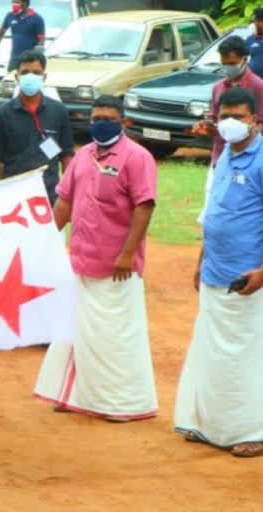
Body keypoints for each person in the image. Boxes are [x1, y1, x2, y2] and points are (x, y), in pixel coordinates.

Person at [34, 95, 159, 422]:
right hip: (81, 260)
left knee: (114, 336)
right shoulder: (83, 157)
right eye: (95, 118)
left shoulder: (137, 157)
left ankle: (121, 403)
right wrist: (43, 239)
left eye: (107, 117)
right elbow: (64, 202)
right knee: (75, 330)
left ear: (123, 121)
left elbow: (144, 207)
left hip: (117, 265)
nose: (100, 123)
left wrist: (128, 253)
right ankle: (71, 393)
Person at [175, 88, 263, 458]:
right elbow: (216, 211)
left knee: (247, 354)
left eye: (239, 117)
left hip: (249, 277)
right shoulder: (226, 153)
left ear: (255, 120)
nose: (230, 123)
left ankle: (253, 429)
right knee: (213, 352)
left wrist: (262, 271)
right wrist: (200, 259)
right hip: (215, 271)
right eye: (224, 115)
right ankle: (212, 424)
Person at [0, 50, 73, 205]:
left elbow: (66, 156)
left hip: (49, 195)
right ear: (16, 76)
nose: (30, 77)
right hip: (13, 197)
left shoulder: (59, 111)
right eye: (25, 72)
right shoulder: (2, 114)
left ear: (44, 77)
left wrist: (67, 196)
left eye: (36, 72)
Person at [192, 35, 263, 223]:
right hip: (220, 157)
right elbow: (214, 119)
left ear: (244, 59)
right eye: (224, 63)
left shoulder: (258, 87)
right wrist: (209, 128)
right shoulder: (218, 87)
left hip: (250, 160)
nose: (227, 68)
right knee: (213, 210)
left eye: (232, 63)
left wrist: (243, 131)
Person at [0, 0, 45, 72]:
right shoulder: (10, 16)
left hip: (29, 60)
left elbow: (41, 40)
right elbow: (2, 31)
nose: (14, 4)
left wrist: (36, 57)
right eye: (13, 2)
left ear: (25, 3)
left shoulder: (37, 19)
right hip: (14, 58)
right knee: (11, 79)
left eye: (17, 2)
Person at [247, 8, 263, 79]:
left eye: (258, 21)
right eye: (255, 21)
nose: (255, 24)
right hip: (254, 82)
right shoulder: (250, 39)